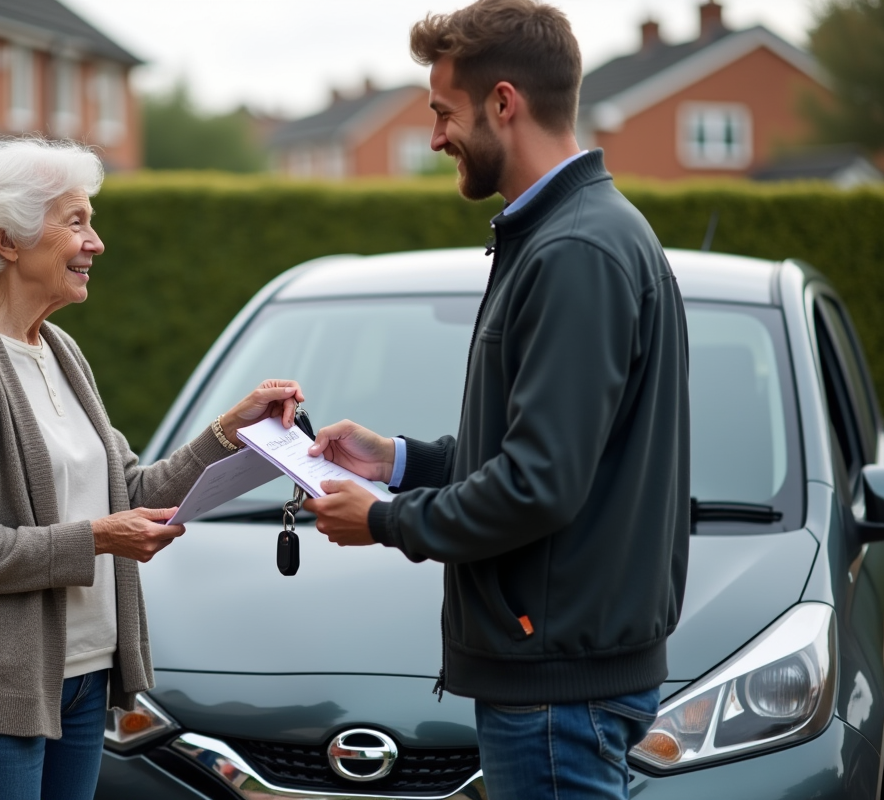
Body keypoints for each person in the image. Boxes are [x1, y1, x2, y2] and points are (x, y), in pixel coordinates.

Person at [302, 2, 690, 799]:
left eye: (444, 113)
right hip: (557, 671)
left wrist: (381, 520)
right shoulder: (563, 235)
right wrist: (400, 461)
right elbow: (536, 450)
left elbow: (537, 483)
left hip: (555, 685)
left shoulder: (575, 250)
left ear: (504, 103)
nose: (437, 136)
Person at [0, 137, 304, 800]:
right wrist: (96, 539)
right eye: (76, 221)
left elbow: (131, 490)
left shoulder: (61, 351)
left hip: (83, 677)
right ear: (8, 242)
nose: (97, 242)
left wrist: (232, 429)